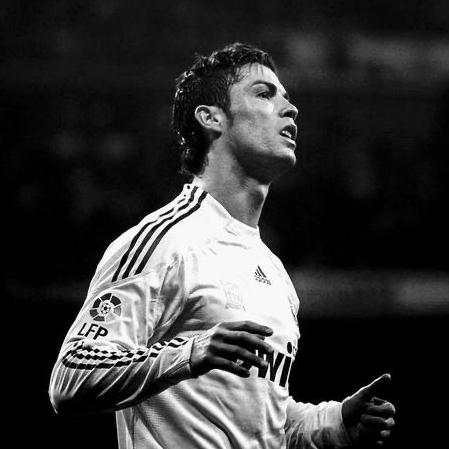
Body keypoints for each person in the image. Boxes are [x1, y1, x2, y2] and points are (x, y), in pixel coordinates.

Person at [49, 42, 396, 449]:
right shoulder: (164, 242)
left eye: (286, 97)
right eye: (264, 94)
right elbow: (71, 377)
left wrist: (334, 422)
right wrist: (190, 353)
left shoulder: (273, 270)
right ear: (211, 118)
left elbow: (266, 423)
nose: (291, 109)